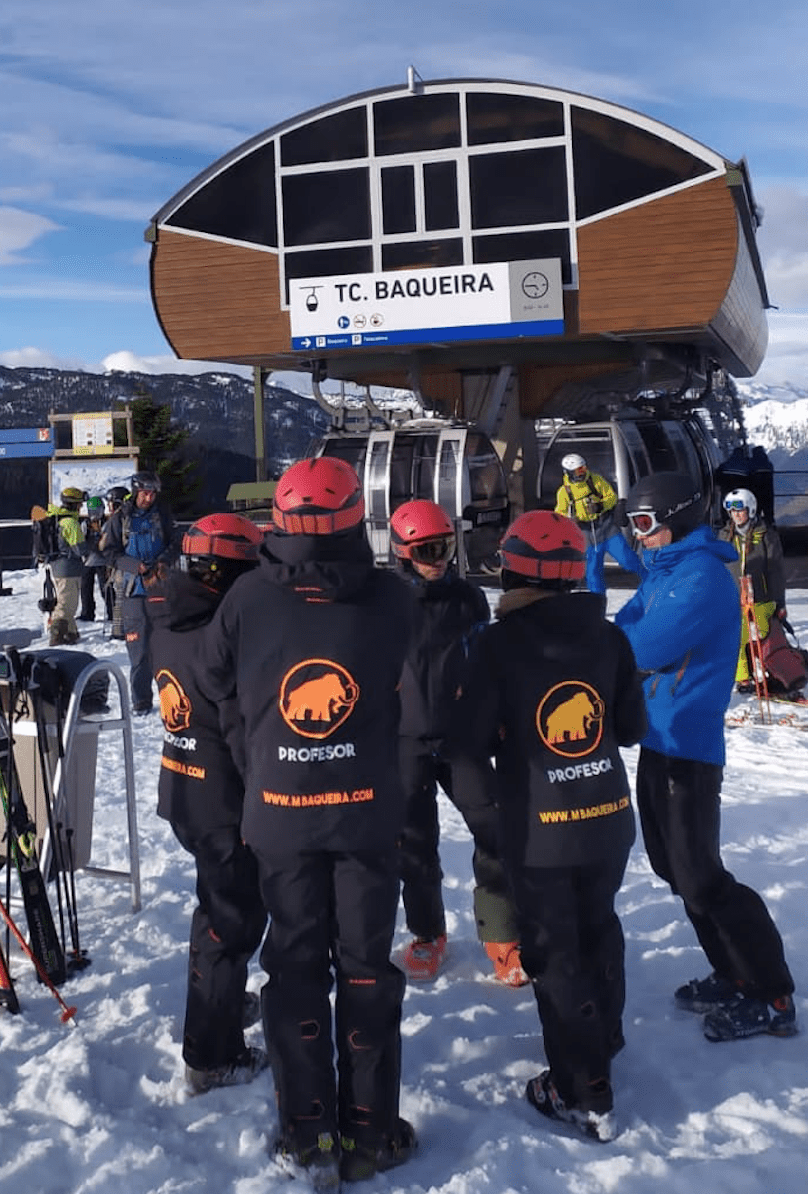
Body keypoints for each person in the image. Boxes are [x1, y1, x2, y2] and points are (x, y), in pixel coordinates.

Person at [199, 457, 418, 1188]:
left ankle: (306, 1133)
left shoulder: (246, 599)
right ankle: (371, 1134)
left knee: (294, 970)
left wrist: (256, 750)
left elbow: (213, 683)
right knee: (365, 969)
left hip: (281, 819)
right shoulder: (393, 598)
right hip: (365, 820)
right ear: (359, 517)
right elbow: (417, 702)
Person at [457, 510, 647, 1143]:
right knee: (599, 928)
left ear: (512, 569)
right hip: (607, 818)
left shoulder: (499, 643)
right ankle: (603, 1039)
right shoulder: (610, 636)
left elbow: (468, 742)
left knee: (555, 951)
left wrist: (488, 812)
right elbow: (630, 728)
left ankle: (583, 1093)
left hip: (539, 828)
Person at [615, 471, 797, 1042]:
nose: (638, 536)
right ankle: (732, 971)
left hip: (689, 747)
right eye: (633, 524)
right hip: (658, 739)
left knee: (702, 876)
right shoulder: (667, 571)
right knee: (675, 869)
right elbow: (627, 624)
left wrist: (635, 640)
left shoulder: (699, 577)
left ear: (677, 520)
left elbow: (639, 645)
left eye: (645, 524)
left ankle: (771, 993)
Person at [146, 513, 269, 1095]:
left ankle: (218, 1010)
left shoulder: (170, 619)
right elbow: (243, 733)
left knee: (217, 914)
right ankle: (212, 1055)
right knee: (231, 922)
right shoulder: (224, 637)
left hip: (185, 790)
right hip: (225, 803)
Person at [387, 499, 525, 986]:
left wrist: (496, 713)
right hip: (404, 741)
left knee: (494, 830)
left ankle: (503, 937)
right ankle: (427, 934)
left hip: (462, 736)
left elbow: (489, 662)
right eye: (426, 549)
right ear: (402, 551)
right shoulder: (384, 601)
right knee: (414, 843)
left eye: (445, 546)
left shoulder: (468, 599)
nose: (438, 558)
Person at [100, 471, 177, 714]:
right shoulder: (120, 519)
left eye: (153, 493)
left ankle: (171, 698)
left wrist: (163, 561)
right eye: (145, 492)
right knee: (139, 650)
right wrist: (135, 566)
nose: (149, 497)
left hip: (161, 588)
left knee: (167, 647)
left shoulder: (162, 515)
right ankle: (141, 701)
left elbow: (176, 543)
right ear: (136, 491)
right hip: (133, 591)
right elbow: (108, 552)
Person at [716, 487, 787, 693]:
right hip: (734, 598)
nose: (736, 515)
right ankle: (743, 679)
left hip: (762, 597)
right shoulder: (724, 536)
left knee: (764, 637)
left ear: (751, 510)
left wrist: (779, 602)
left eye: (740, 510)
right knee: (736, 639)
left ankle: (774, 673)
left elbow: (776, 571)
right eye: (732, 511)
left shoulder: (765, 535)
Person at [554, 454, 643, 595]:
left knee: (628, 559)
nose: (582, 472)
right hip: (586, 534)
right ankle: (598, 603)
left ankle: (652, 581)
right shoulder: (564, 492)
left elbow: (612, 497)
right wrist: (570, 520)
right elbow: (560, 514)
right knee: (593, 572)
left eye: (583, 468)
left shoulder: (595, 480)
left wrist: (600, 506)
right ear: (570, 472)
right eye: (578, 471)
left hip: (607, 528)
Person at [43, 486, 89, 647]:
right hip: (69, 569)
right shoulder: (70, 523)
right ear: (75, 505)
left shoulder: (56, 518)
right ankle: (57, 636)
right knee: (66, 604)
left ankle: (71, 633)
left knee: (66, 601)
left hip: (58, 566)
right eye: (80, 504)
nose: (81, 507)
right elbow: (80, 549)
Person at [101, 485, 131, 640]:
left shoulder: (116, 519)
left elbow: (108, 546)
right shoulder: (134, 516)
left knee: (120, 599)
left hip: (122, 565)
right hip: (136, 564)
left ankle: (119, 631)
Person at [78, 495, 109, 623]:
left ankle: (112, 612)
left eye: (97, 511)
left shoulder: (106, 524)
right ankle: (87, 612)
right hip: (88, 560)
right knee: (85, 589)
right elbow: (81, 540)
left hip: (103, 561)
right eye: (92, 512)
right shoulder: (85, 524)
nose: (94, 515)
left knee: (105, 588)